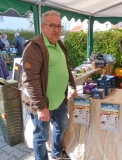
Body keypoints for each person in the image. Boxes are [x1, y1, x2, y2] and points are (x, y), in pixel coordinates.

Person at [22, 10, 77, 160]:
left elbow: (66, 67)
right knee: (41, 136)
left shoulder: (59, 44)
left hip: (59, 100)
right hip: (43, 104)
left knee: (62, 126)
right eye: (52, 25)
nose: (56, 30)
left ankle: (57, 152)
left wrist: (72, 86)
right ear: (42, 26)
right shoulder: (34, 47)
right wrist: (41, 107)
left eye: (59, 26)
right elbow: (31, 80)